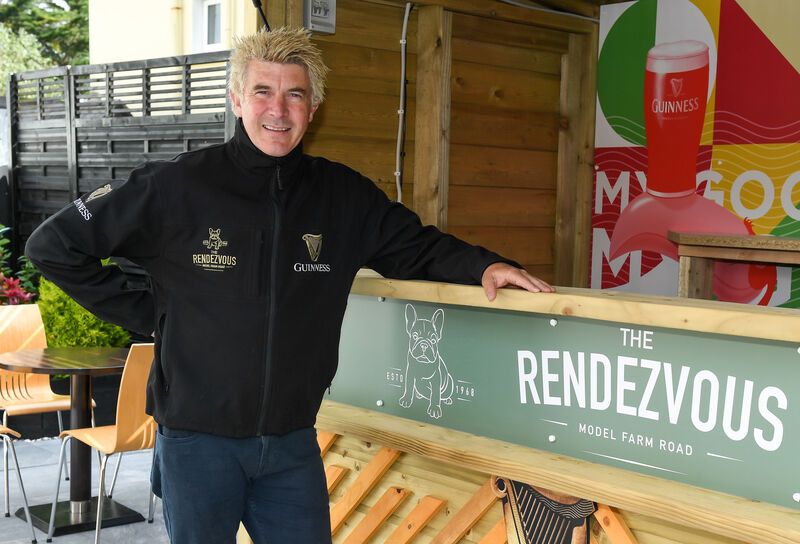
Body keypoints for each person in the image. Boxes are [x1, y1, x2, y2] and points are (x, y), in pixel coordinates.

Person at [25, 27, 554, 543]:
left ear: (312, 109)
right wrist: (153, 313)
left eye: (294, 95)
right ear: (237, 100)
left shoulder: (342, 195)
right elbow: (53, 246)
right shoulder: (177, 186)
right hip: (197, 443)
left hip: (292, 443)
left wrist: (484, 266)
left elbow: (417, 246)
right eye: (262, 92)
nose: (278, 110)